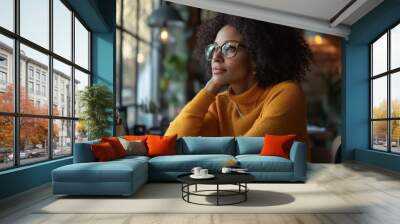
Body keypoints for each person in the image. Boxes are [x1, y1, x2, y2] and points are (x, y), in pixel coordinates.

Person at [165, 13, 312, 145]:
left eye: (228, 48)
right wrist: (210, 88)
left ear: (256, 57)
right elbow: (171, 142)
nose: (216, 57)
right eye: (214, 48)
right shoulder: (219, 104)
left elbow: (248, 149)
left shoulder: (286, 93)